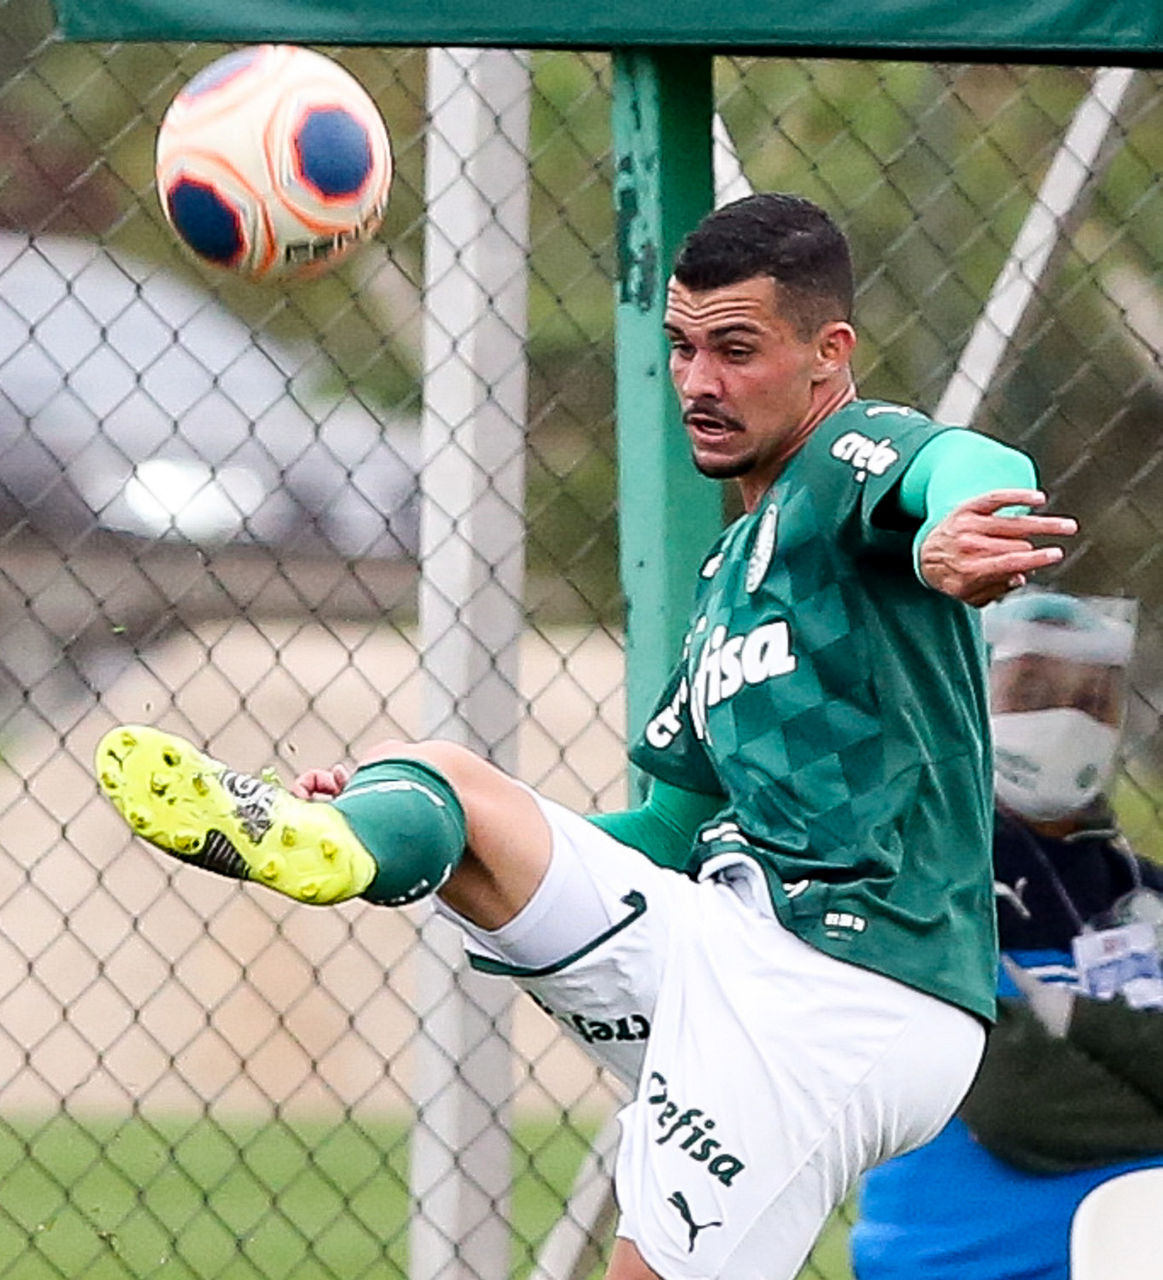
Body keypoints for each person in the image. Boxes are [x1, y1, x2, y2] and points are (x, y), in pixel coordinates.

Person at [92, 192, 1078, 1280]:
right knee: (455, 789)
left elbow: (972, 461)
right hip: (728, 944)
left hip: (852, 981)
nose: (697, 382)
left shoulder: (853, 458)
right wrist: (492, 851)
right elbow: (667, 828)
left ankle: (365, 839)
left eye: (735, 350)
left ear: (826, 353)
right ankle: (337, 835)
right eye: (682, 347)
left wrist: (962, 524)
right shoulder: (727, 581)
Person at [851, 588, 1163, 1280]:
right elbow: (1018, 1101)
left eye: (1092, 699)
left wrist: (1070, 1018)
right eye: (1031, 692)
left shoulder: (1142, 890)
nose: (1066, 719)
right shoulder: (916, 881)